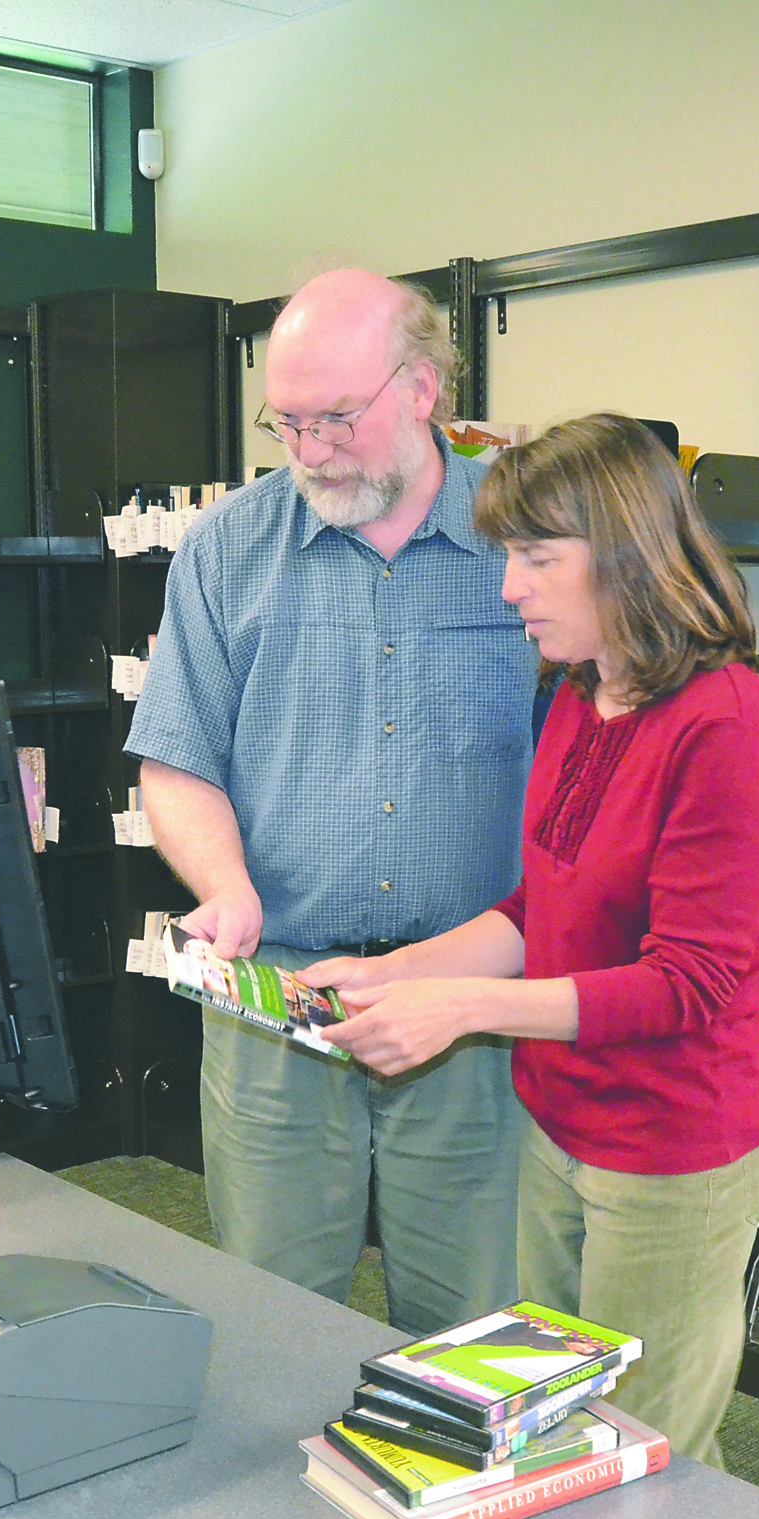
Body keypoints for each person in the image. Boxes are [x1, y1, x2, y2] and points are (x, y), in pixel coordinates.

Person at [305, 413, 759, 1467]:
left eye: (538, 558)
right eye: (509, 557)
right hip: (560, 1124)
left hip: (672, 1152)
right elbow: (545, 914)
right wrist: (397, 974)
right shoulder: (581, 696)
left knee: (646, 1448)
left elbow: (692, 982)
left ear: (628, 553)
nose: (509, 589)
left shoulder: (729, 728)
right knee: (567, 1432)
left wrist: (466, 1010)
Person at [125, 269, 538, 1337]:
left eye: (335, 420)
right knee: (272, 1319)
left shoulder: (527, 542)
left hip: (473, 1015)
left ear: (423, 389)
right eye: (287, 422)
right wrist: (223, 890)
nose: (308, 452)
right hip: (283, 1002)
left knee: (477, 1330)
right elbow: (174, 759)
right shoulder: (228, 548)